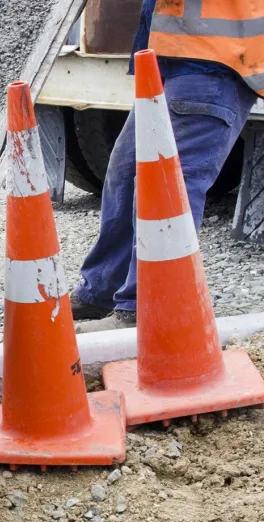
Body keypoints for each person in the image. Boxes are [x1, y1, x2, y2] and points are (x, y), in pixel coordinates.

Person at [72, 0, 264, 332]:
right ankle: (101, 291)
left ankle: (145, 308)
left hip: (213, 61)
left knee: (165, 187)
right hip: (175, 61)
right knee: (127, 176)